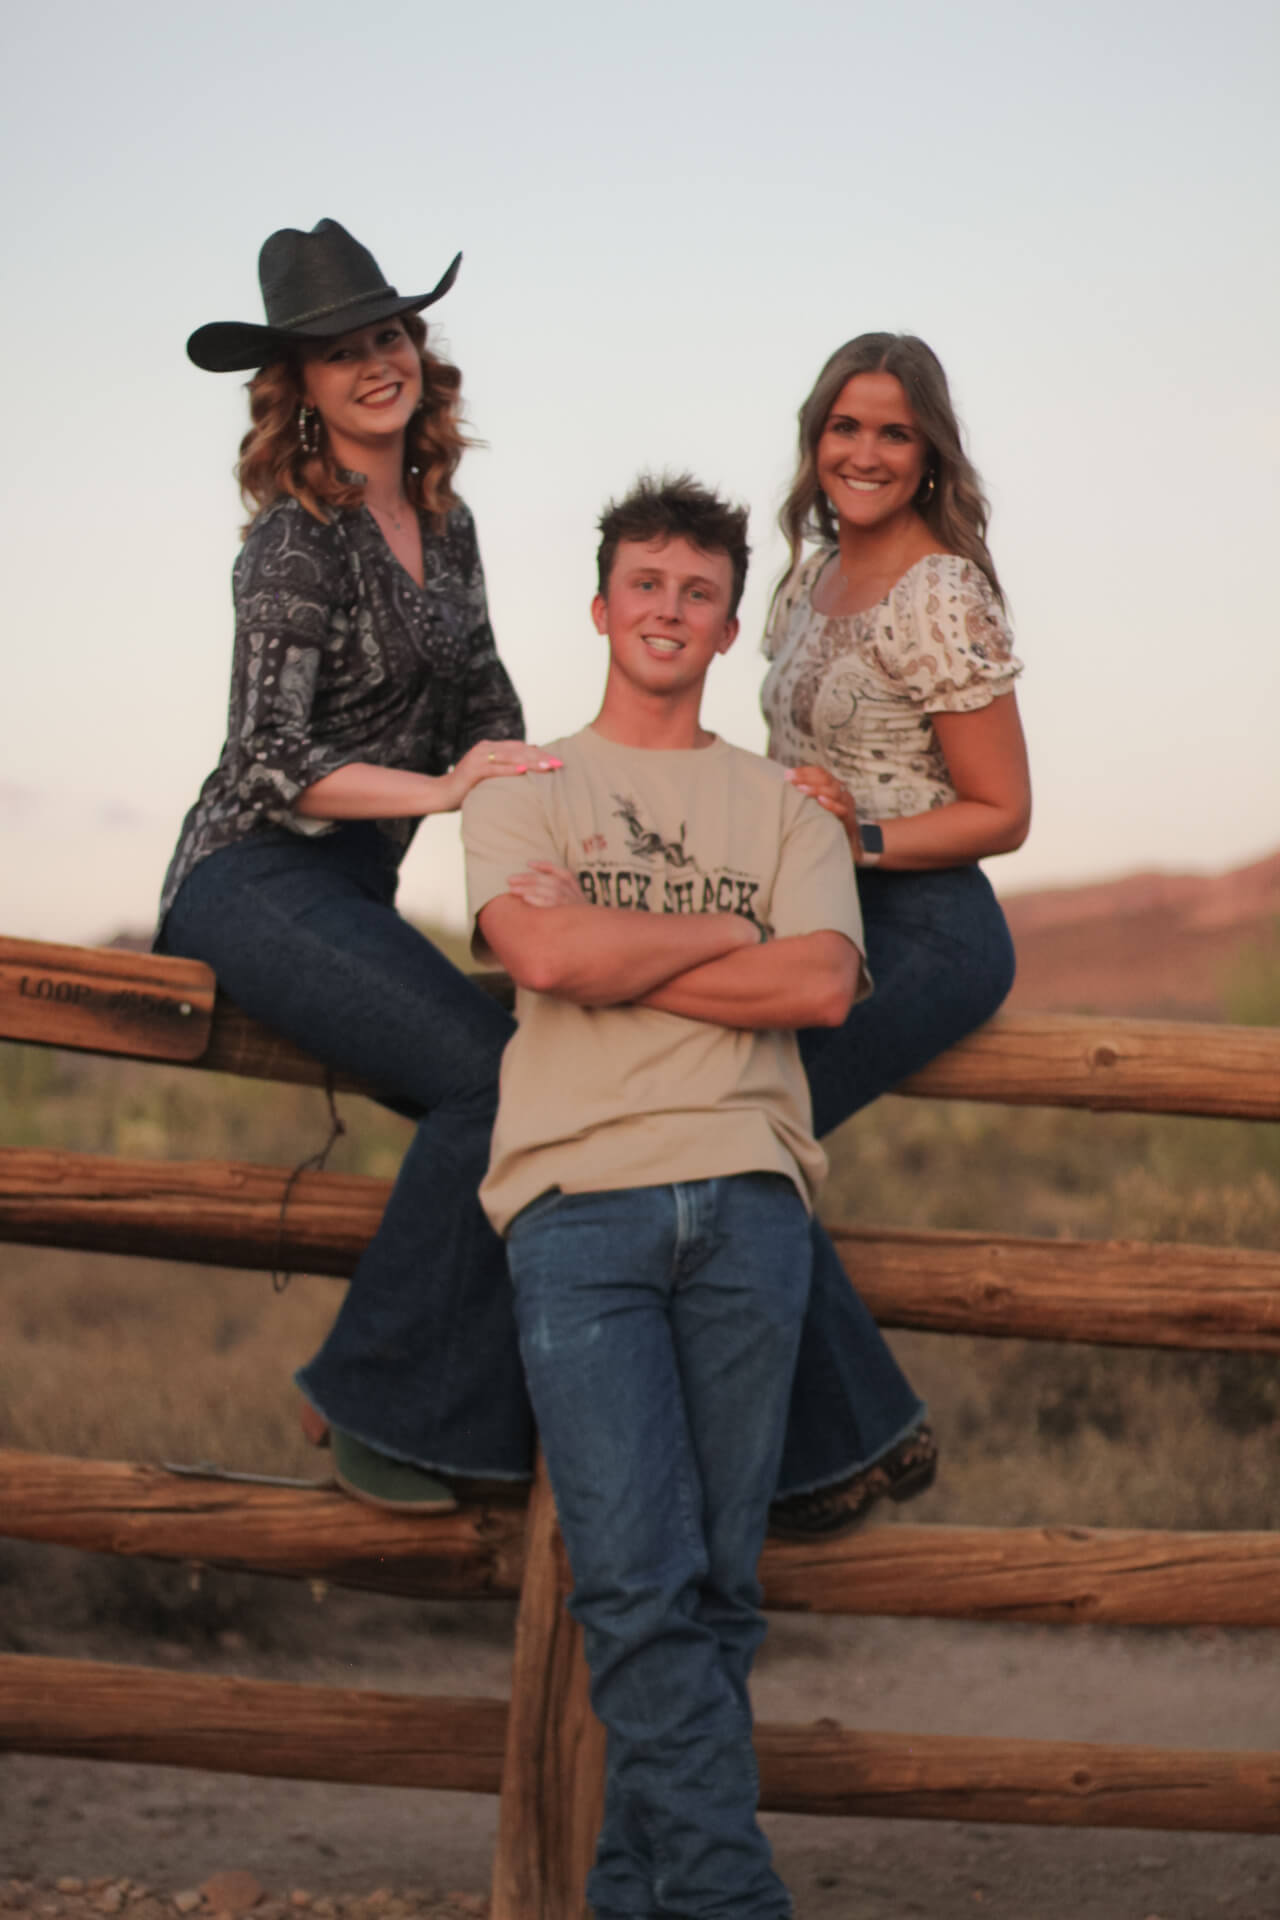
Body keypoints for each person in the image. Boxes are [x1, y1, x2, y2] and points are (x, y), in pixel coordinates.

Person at [464, 474, 862, 1920]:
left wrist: (616, 944)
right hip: (580, 1203)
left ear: (729, 625)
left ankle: (638, 1901)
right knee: (635, 1585)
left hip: (750, 1202)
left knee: (715, 1593)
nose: (670, 610)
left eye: (699, 593)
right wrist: (728, 934)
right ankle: (733, 1901)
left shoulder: (786, 800)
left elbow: (821, 985)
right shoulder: (521, 783)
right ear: (600, 607)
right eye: (647, 584)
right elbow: (542, 959)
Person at [156, 218, 561, 1512]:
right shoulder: (294, 541)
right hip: (246, 878)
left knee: (548, 1085)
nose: (375, 362)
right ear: (301, 389)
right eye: (340, 352)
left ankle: (485, 1419)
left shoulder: (448, 526)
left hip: (346, 892)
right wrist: (445, 790)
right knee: (493, 1082)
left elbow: (489, 710)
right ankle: (372, 1405)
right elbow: (268, 757)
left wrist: (564, 847)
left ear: (417, 354)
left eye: (388, 335)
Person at [762, 332, 1031, 1536]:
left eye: (892, 432)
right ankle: (847, 1438)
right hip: (809, 915)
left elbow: (1002, 812)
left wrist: (860, 837)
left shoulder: (940, 594)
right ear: (815, 439)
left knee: (732, 1129)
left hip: (924, 929)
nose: (863, 452)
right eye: (844, 427)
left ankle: (851, 1437)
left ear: (927, 455)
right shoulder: (805, 579)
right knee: (705, 1125)